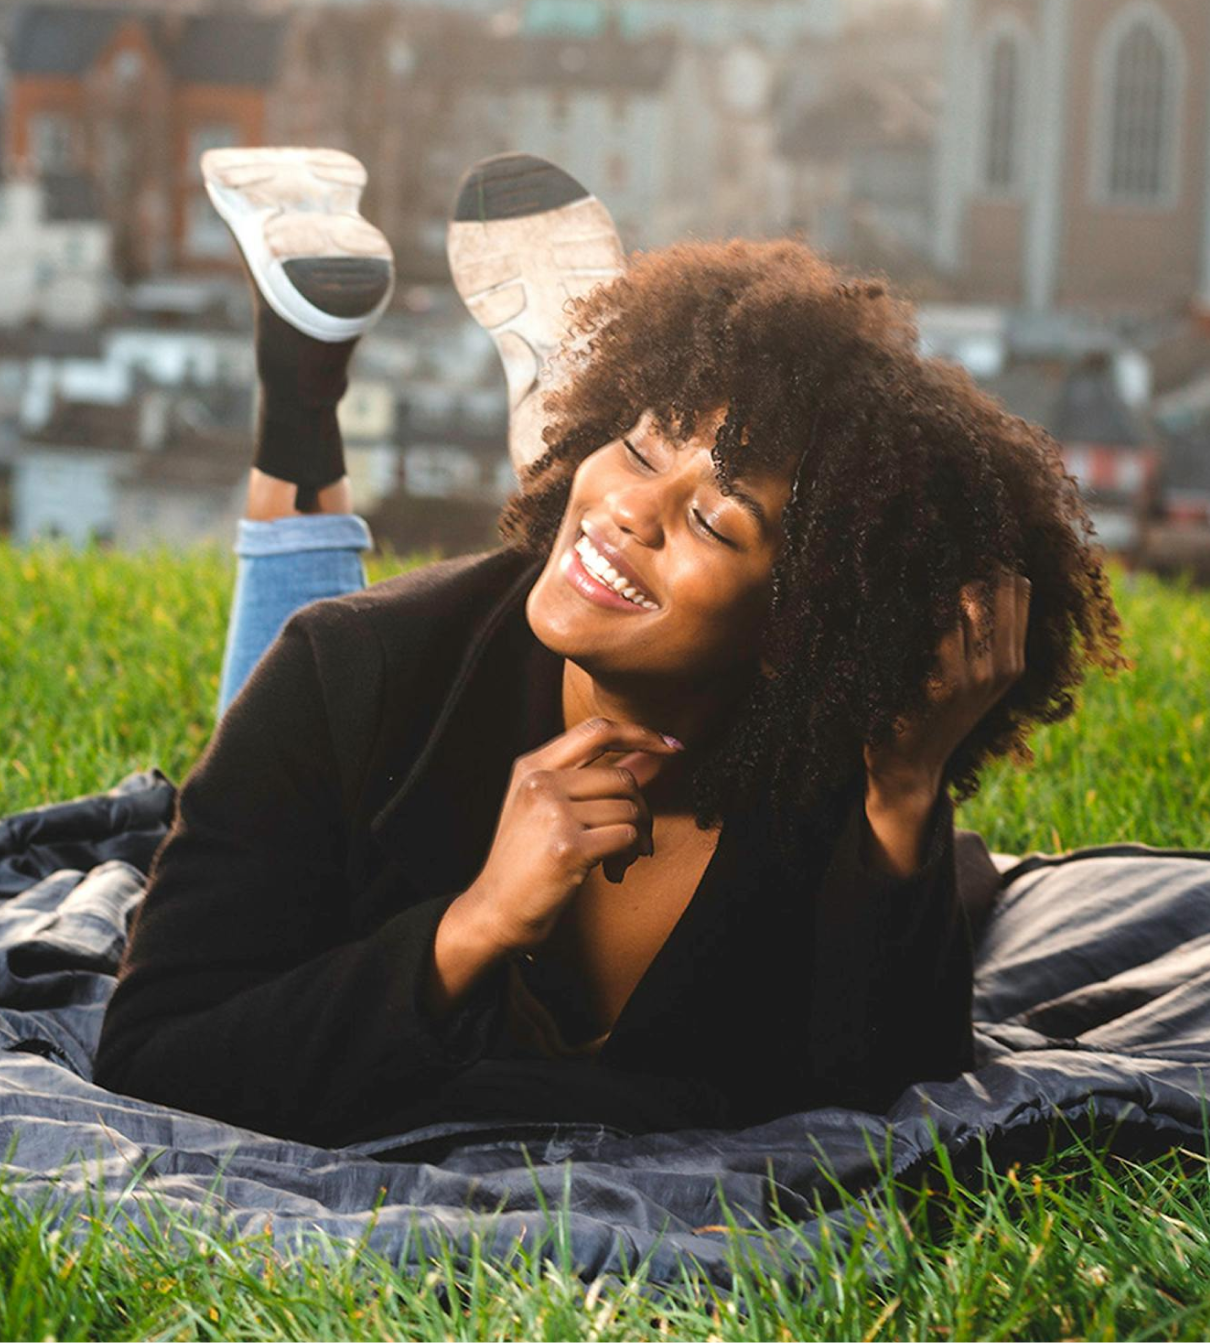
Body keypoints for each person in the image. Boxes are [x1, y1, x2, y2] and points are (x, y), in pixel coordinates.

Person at [92, 150, 1122, 1151]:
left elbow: (887, 1110)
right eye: (632, 444)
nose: (627, 508)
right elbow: (155, 1059)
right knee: (316, 654)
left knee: (579, 562)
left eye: (715, 522)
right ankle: (305, 387)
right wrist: (474, 928)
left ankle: (520, 389)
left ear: (802, 627)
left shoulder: (827, 772)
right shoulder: (346, 670)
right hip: (403, 667)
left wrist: (905, 787)